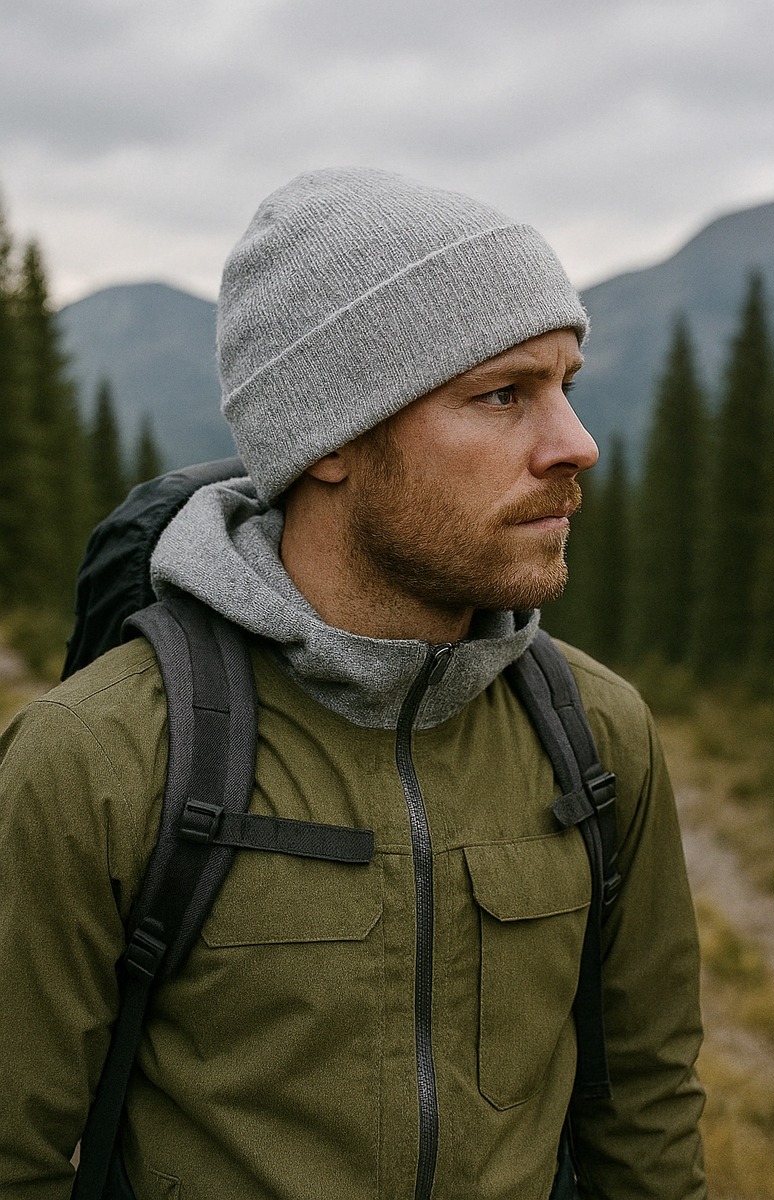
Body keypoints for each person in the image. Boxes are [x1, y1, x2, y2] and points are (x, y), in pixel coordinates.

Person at [0, 168, 707, 1199]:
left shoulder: (593, 733)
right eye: (502, 394)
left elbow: (643, 1118)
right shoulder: (96, 760)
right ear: (329, 438)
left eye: (567, 386)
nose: (574, 446)